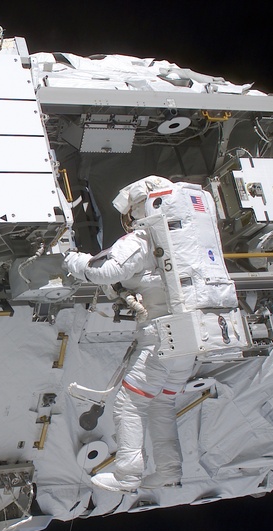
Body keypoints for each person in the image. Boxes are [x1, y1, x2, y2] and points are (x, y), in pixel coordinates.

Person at [62, 176, 194, 492]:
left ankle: (128, 476)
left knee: (130, 404)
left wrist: (72, 260)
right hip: (189, 338)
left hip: (161, 339)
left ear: (139, 208)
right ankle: (168, 472)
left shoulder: (143, 238)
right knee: (162, 405)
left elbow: (106, 270)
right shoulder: (184, 238)